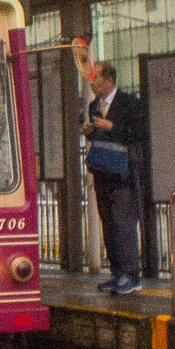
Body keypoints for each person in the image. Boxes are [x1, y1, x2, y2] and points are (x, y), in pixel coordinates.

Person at [73, 42, 144, 295]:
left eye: (96, 78)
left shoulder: (128, 102)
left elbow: (138, 133)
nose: (92, 83)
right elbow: (98, 137)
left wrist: (111, 126)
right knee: (109, 223)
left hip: (123, 173)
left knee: (124, 223)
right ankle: (116, 272)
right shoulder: (94, 106)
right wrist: (90, 131)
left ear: (109, 80)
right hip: (102, 172)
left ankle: (132, 275)